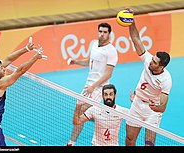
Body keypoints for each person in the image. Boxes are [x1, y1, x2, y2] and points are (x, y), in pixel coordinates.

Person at [0, 39, 46, 146]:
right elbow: (19, 71)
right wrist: (35, 57)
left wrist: (26, 49)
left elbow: (8, 59)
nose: (4, 69)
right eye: (1, 68)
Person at [124, 8, 172, 146]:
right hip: (137, 104)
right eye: (152, 59)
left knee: (149, 144)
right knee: (129, 139)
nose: (151, 62)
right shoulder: (147, 59)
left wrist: (157, 108)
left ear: (161, 67)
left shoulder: (166, 80)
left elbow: (163, 107)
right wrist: (130, 20)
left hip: (152, 111)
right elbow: (135, 39)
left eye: (154, 62)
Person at [67, 22, 118, 146]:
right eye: (100, 31)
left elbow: (108, 74)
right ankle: (72, 142)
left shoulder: (111, 51)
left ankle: (72, 142)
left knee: (82, 111)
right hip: (88, 85)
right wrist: (76, 62)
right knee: (79, 112)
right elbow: (89, 62)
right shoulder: (95, 44)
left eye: (105, 32)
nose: (102, 34)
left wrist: (93, 86)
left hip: (99, 88)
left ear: (109, 34)